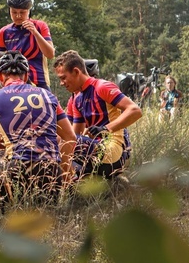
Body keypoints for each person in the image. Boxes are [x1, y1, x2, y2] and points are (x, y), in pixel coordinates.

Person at [0, 51, 76, 205]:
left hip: (18, 173)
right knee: (57, 138)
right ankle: (64, 187)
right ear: (26, 76)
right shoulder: (48, 95)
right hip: (52, 174)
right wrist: (63, 174)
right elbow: (70, 137)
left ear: (0, 76)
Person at [54, 50, 143, 178]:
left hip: (114, 151)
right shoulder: (77, 99)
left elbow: (135, 111)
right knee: (57, 141)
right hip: (96, 150)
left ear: (76, 72)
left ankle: (67, 187)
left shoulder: (102, 87)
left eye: (63, 78)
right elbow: (74, 135)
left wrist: (105, 129)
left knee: (60, 141)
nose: (61, 83)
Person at [0, 0, 55, 90]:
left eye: (22, 12)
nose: (18, 16)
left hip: (39, 83)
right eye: (14, 12)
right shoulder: (4, 32)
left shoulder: (40, 26)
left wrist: (35, 33)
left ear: (29, 11)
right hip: (12, 84)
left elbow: (50, 54)